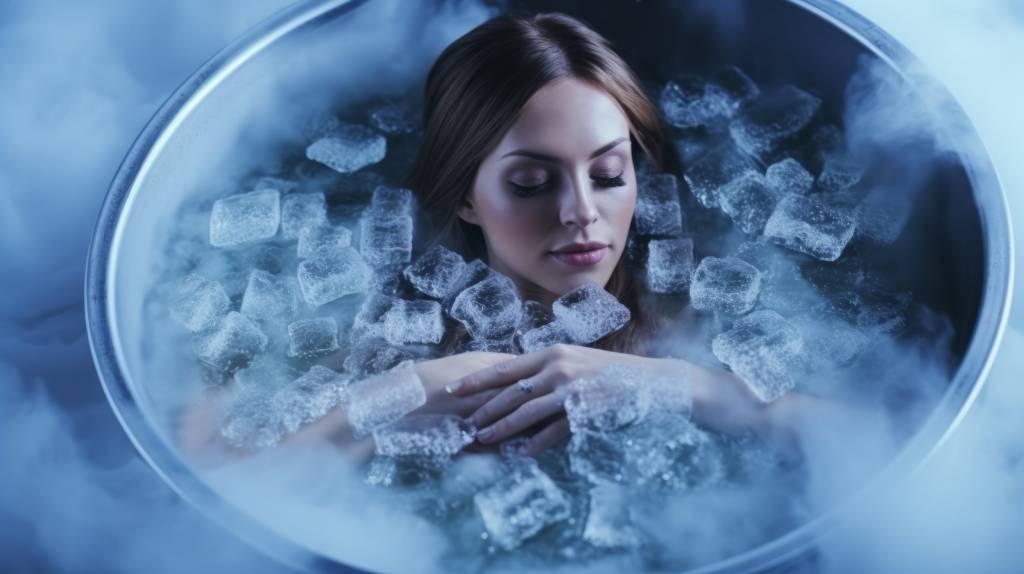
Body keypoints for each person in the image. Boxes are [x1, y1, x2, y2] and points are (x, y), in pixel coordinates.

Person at [179, 11, 830, 468]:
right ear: (465, 194)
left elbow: (871, 443)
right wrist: (406, 394)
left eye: (608, 174)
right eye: (529, 183)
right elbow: (194, 481)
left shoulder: (708, 314)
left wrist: (673, 384)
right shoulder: (371, 332)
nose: (582, 212)